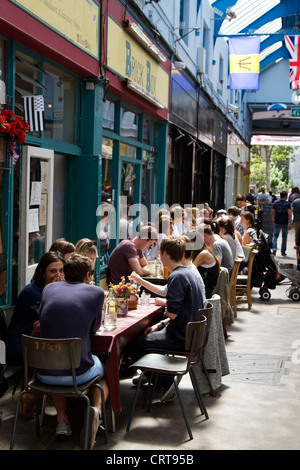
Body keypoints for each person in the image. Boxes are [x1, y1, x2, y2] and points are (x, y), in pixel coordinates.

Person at [38, 254, 109, 449]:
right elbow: (94, 329)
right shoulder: (95, 292)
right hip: (77, 375)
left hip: (43, 373)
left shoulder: (49, 288)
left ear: (65, 272)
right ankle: (96, 410)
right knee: (104, 370)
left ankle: (62, 421)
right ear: (87, 275)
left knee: (57, 361)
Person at [126, 236, 204, 402]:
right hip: (190, 336)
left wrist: (165, 310)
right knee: (147, 335)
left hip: (179, 337)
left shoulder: (177, 277)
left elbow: (174, 314)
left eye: (160, 252)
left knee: (133, 344)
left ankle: (165, 380)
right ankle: (156, 376)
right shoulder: (188, 273)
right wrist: (159, 324)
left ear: (165, 253)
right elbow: (184, 310)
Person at [6, 251, 65, 419]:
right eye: (53, 271)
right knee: (54, 358)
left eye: (61, 270)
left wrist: (46, 319)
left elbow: (54, 316)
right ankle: (30, 395)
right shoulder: (33, 291)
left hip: (40, 338)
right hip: (21, 342)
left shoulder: (56, 288)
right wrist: (46, 319)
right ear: (42, 272)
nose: (58, 275)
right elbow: (54, 318)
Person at [190, 229, 220, 299]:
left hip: (208, 290)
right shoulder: (199, 252)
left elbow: (190, 270)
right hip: (204, 287)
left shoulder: (203, 254)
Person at [271, 190, 292, 256]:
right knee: (284, 237)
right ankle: (283, 252)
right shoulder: (288, 204)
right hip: (285, 222)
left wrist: (273, 219)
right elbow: (289, 213)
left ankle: (274, 248)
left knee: (275, 236)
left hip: (277, 221)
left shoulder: (275, 203)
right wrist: (290, 222)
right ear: (285, 196)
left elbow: (272, 212)